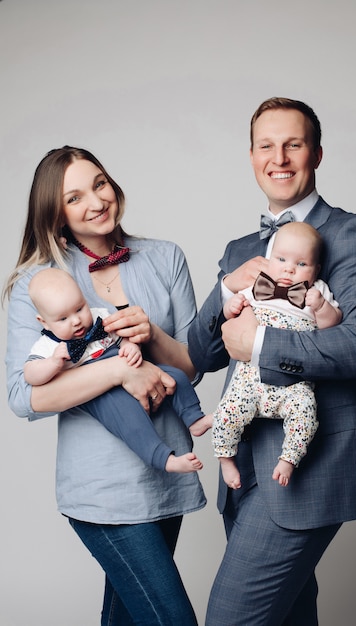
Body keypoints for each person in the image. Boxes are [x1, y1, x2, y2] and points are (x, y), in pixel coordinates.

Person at [188, 97, 356, 625]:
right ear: (252, 156)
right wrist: (223, 288)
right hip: (243, 470)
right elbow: (200, 354)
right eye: (266, 146)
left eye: (293, 144)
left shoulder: (355, 234)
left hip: (310, 467)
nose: (278, 157)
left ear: (316, 154)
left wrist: (259, 344)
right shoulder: (240, 248)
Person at [5, 146, 207, 625]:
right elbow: (23, 396)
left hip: (166, 477)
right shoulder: (38, 283)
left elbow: (193, 366)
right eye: (74, 197)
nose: (96, 201)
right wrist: (118, 370)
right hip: (101, 489)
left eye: (100, 184)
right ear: (56, 214)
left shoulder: (165, 257)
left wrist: (151, 334)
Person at [25, 267, 211, 474]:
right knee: (129, 416)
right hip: (99, 390)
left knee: (174, 376)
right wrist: (52, 363)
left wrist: (130, 347)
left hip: (133, 368)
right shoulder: (47, 345)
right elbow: (30, 374)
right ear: (44, 322)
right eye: (62, 319)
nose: (76, 320)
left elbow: (124, 336)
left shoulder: (99, 318)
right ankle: (164, 459)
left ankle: (194, 418)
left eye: (79, 308)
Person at [212, 221, 342, 489]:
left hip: (294, 383)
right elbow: (229, 318)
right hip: (250, 377)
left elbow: (332, 323)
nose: (289, 268)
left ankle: (289, 460)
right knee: (229, 411)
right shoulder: (258, 286)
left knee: (306, 411)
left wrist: (320, 306)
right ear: (268, 261)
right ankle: (226, 458)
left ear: (316, 270)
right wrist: (232, 305)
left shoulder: (317, 291)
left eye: (301, 264)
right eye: (281, 259)